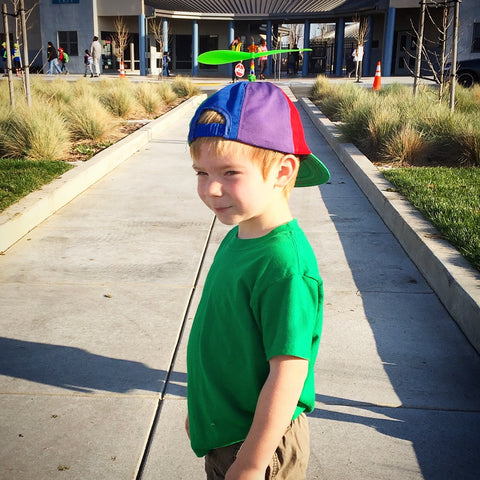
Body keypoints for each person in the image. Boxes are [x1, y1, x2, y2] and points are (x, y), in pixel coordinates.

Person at [186, 81, 330, 480]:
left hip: (260, 445)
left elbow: (288, 372)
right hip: (228, 428)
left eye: (230, 173)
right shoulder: (240, 234)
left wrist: (250, 462)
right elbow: (226, 338)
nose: (211, 188)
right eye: (201, 172)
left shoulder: (284, 265)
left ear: (283, 171)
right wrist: (201, 411)